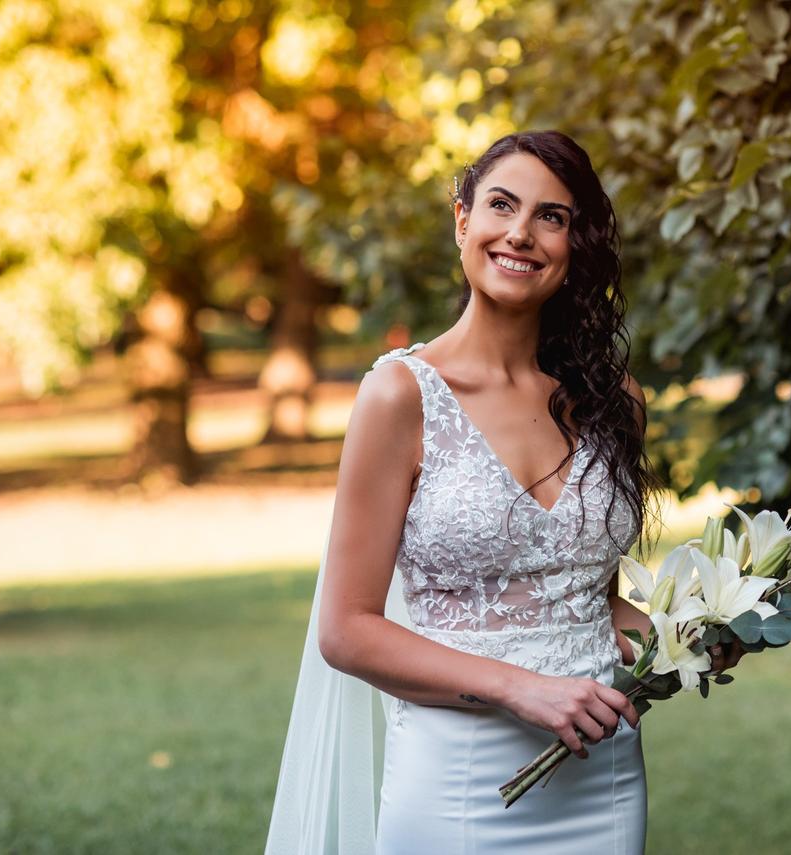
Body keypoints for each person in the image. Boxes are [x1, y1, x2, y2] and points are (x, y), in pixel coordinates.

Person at [265, 130, 743, 854]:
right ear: (463, 219)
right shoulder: (399, 396)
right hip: (454, 783)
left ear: (575, 246)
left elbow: (586, 596)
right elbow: (346, 629)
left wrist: (686, 639)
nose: (521, 232)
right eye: (501, 205)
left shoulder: (615, 402)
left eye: (552, 217)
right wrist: (520, 686)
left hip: (601, 779)